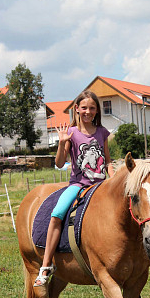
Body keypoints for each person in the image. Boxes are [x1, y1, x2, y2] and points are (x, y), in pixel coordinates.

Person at [34, 89, 114, 286]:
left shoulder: (102, 132)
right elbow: (60, 163)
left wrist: (114, 178)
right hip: (78, 185)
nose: (88, 111)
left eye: (92, 108)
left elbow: (108, 161)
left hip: (101, 185)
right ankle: (46, 266)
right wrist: (62, 144)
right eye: (84, 107)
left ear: (97, 111)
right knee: (57, 213)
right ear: (77, 109)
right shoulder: (71, 133)